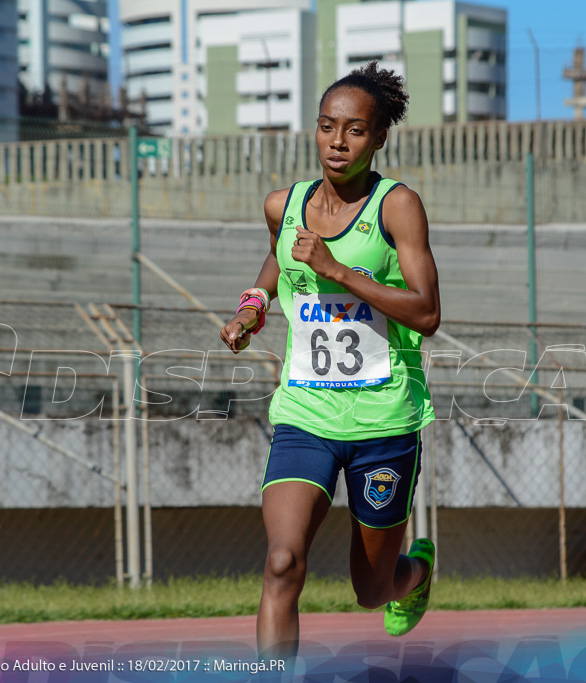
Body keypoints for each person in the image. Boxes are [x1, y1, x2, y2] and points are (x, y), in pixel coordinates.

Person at [219, 61, 441, 663]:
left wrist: (339, 271)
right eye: (326, 127)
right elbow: (277, 259)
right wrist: (252, 308)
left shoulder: (397, 208)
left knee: (371, 591)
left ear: (379, 137)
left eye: (355, 130)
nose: (337, 142)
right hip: (305, 413)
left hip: (383, 420)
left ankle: (414, 576)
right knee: (282, 561)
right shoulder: (281, 205)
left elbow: (426, 313)